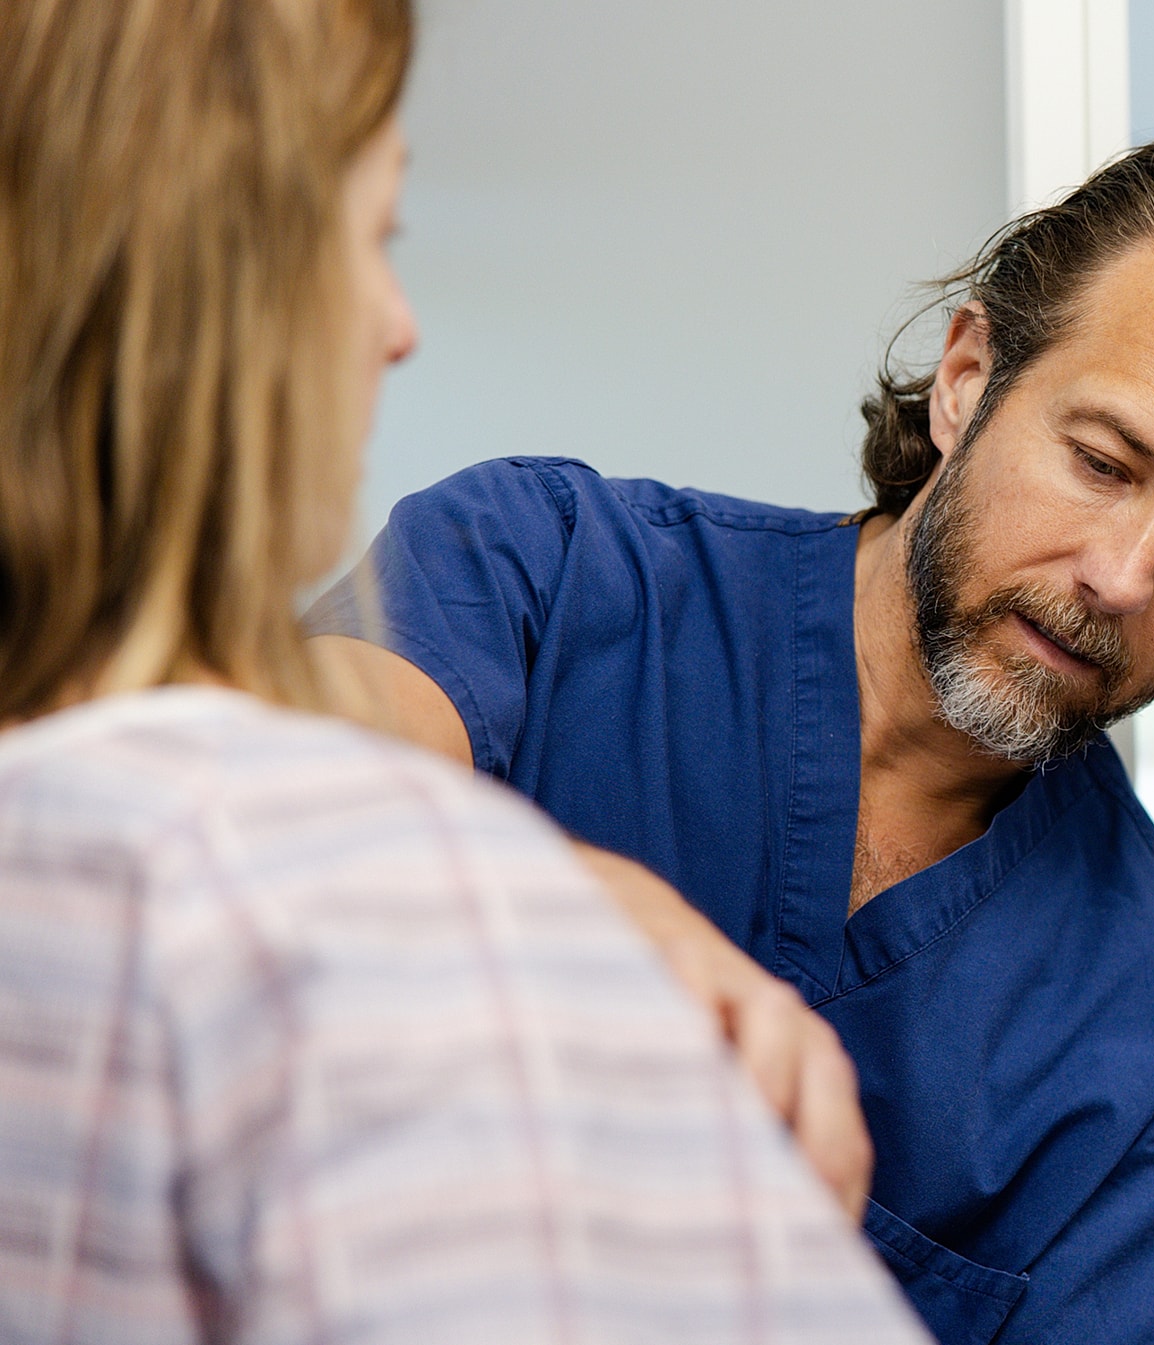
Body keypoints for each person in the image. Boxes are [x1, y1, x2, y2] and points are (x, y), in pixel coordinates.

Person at [307, 138, 1154, 1344]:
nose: (1120, 577)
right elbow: (271, 816)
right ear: (966, 377)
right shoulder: (539, 570)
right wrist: (580, 908)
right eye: (1101, 463)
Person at [0, 1, 930, 1341]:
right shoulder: (391, 917)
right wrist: (502, 901)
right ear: (216, 290)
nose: (398, 325)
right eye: (376, 238)